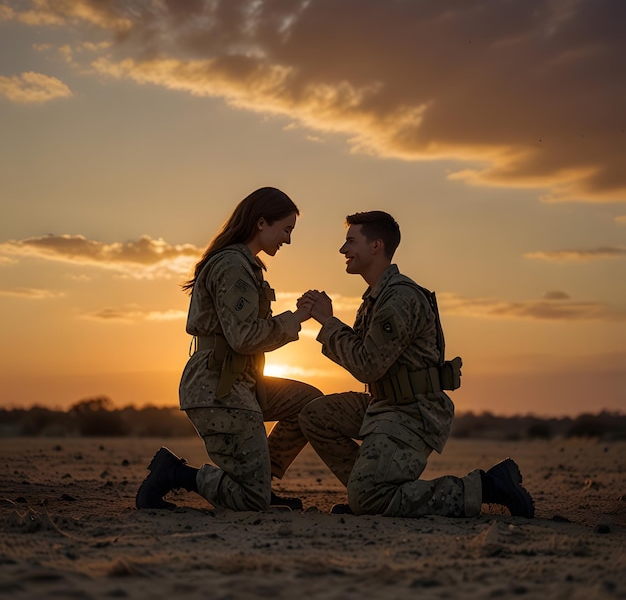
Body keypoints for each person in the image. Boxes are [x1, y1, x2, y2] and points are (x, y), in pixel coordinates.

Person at [297, 211, 534, 519]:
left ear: (376, 246)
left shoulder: (399, 298)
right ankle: (371, 490)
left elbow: (367, 365)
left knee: (367, 501)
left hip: (412, 411)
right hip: (383, 404)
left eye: (351, 242)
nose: (343, 250)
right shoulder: (376, 297)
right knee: (315, 416)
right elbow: (362, 354)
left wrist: (328, 322)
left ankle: (484, 487)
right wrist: (330, 323)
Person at [136, 187, 322, 512]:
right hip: (218, 388)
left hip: (243, 381)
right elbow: (244, 337)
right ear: (262, 223)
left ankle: (260, 480)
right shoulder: (234, 267)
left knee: (309, 404)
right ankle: (175, 474)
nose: (288, 240)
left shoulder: (247, 265)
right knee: (251, 501)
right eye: (286, 230)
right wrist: (295, 318)